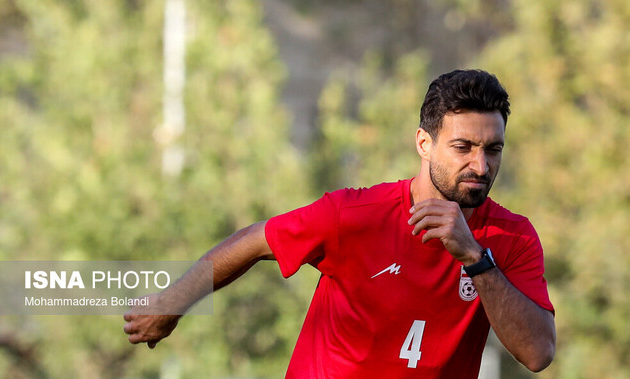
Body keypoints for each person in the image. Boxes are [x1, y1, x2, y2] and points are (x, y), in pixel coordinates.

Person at [123, 69, 556, 378]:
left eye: (493, 149)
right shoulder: (354, 215)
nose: (480, 165)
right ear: (424, 143)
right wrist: (173, 302)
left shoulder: (512, 238)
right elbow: (258, 239)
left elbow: (538, 354)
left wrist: (476, 259)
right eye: (463, 147)